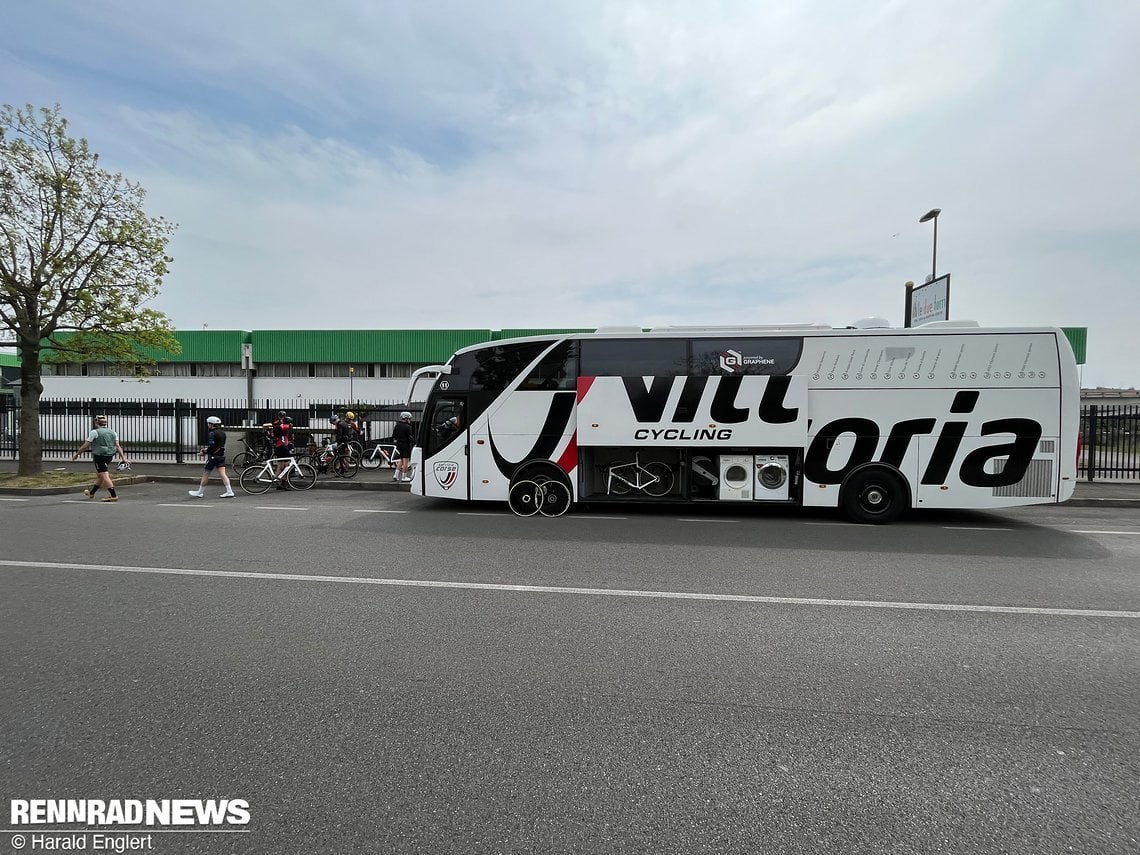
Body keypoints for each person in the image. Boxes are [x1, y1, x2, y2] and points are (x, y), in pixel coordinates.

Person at [72, 414, 128, 502]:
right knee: (100, 475)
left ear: (96, 422)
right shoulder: (113, 432)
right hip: (109, 455)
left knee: (104, 475)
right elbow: (117, 446)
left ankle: (113, 495)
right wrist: (123, 458)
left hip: (99, 456)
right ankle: (92, 492)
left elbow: (86, 445)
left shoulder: (94, 432)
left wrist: (77, 454)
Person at [189, 416, 234, 498]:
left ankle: (200, 492)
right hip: (221, 456)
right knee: (223, 474)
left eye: (208, 423)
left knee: (206, 473)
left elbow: (212, 446)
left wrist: (204, 452)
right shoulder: (222, 433)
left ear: (211, 424)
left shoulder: (212, 433)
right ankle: (229, 491)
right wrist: (207, 450)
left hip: (213, 457)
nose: (208, 425)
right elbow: (218, 446)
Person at [261, 411, 294, 488]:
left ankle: (278, 481)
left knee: (280, 465)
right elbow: (289, 433)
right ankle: (284, 482)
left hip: (278, 446)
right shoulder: (284, 425)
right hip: (283, 445)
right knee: (286, 465)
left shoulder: (276, 424)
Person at [392, 410, 415, 482]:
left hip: (399, 444)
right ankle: (404, 477)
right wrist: (414, 443)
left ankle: (396, 475)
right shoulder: (408, 427)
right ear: (406, 418)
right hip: (406, 445)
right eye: (409, 419)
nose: (410, 420)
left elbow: (394, 436)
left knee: (401, 460)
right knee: (406, 461)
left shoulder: (397, 426)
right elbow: (410, 438)